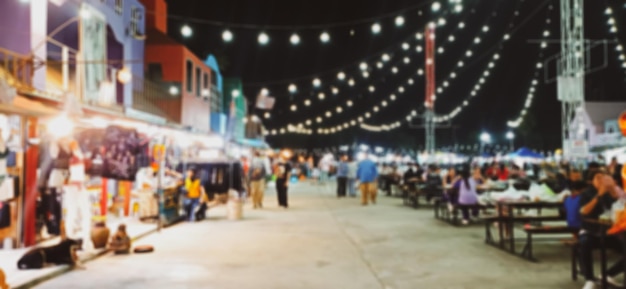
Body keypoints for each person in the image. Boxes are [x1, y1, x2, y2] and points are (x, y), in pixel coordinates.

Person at [578, 171, 624, 289]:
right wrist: (599, 195)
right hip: (590, 231)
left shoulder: (608, 195)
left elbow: (618, 209)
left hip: (608, 232)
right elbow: (584, 211)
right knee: (584, 244)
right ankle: (589, 279)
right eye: (597, 178)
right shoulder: (586, 194)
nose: (601, 180)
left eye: (603, 178)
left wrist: (613, 191)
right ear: (592, 181)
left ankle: (608, 275)